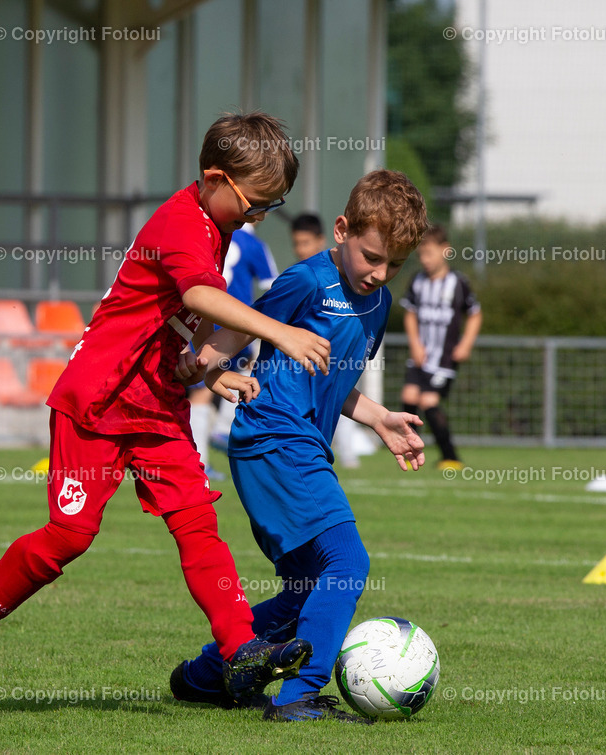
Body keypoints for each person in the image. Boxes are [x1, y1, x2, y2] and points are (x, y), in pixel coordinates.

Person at [0, 112, 330, 709]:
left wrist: (209, 368)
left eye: (271, 207)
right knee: (69, 537)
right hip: (99, 398)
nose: (258, 218)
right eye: (254, 204)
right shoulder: (180, 221)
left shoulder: (215, 224)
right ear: (214, 177)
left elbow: (169, 313)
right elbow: (198, 295)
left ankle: (241, 646)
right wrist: (280, 332)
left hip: (157, 404)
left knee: (197, 524)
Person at [170, 169, 428, 723]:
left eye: (395, 266)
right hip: (273, 439)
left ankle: (205, 676)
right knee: (347, 563)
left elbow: (332, 379)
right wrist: (205, 361)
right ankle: (298, 696)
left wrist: (378, 417)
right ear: (342, 231)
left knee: (305, 592)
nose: (380, 274)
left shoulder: (378, 304)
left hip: (298, 445)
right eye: (372, 257)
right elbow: (248, 328)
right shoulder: (308, 281)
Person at [288, 212, 368, 468]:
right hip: (299, 367)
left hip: (332, 362)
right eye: (297, 243)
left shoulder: (345, 280)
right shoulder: (297, 276)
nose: (301, 249)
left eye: (306, 242)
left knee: (337, 399)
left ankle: (347, 454)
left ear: (322, 239)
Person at [399, 224, 482, 471]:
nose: (424, 260)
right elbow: (410, 313)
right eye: (421, 254)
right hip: (421, 356)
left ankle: (450, 457)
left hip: (444, 359)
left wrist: (466, 343)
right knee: (408, 397)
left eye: (430, 253)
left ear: (445, 251)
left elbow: (475, 314)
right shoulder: (418, 281)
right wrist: (414, 344)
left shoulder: (458, 283)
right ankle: (410, 450)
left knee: (428, 400)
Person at [198, 224, 279, 457]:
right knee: (247, 367)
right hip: (235, 323)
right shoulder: (253, 244)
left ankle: (200, 458)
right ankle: (222, 430)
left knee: (199, 389)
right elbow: (272, 286)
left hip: (201, 317)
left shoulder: (210, 236)